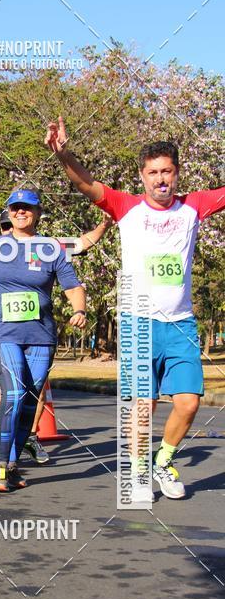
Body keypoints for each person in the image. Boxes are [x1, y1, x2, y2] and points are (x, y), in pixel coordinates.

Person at [46, 116, 225, 499]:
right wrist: (64, 154)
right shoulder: (125, 207)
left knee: (189, 402)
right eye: (153, 172)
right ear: (142, 177)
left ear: (177, 174)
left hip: (180, 324)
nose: (161, 179)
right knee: (144, 404)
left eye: (167, 171)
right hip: (138, 322)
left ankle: (163, 459)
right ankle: (139, 471)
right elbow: (84, 183)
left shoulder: (194, 207)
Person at [0, 188, 86, 491]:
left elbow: (73, 286)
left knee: (29, 401)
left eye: (28, 208)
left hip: (41, 336)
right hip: (2, 333)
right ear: (9, 212)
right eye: (16, 207)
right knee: (14, 394)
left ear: (37, 213)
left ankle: (11, 463)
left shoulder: (51, 250)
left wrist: (79, 309)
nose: (21, 212)